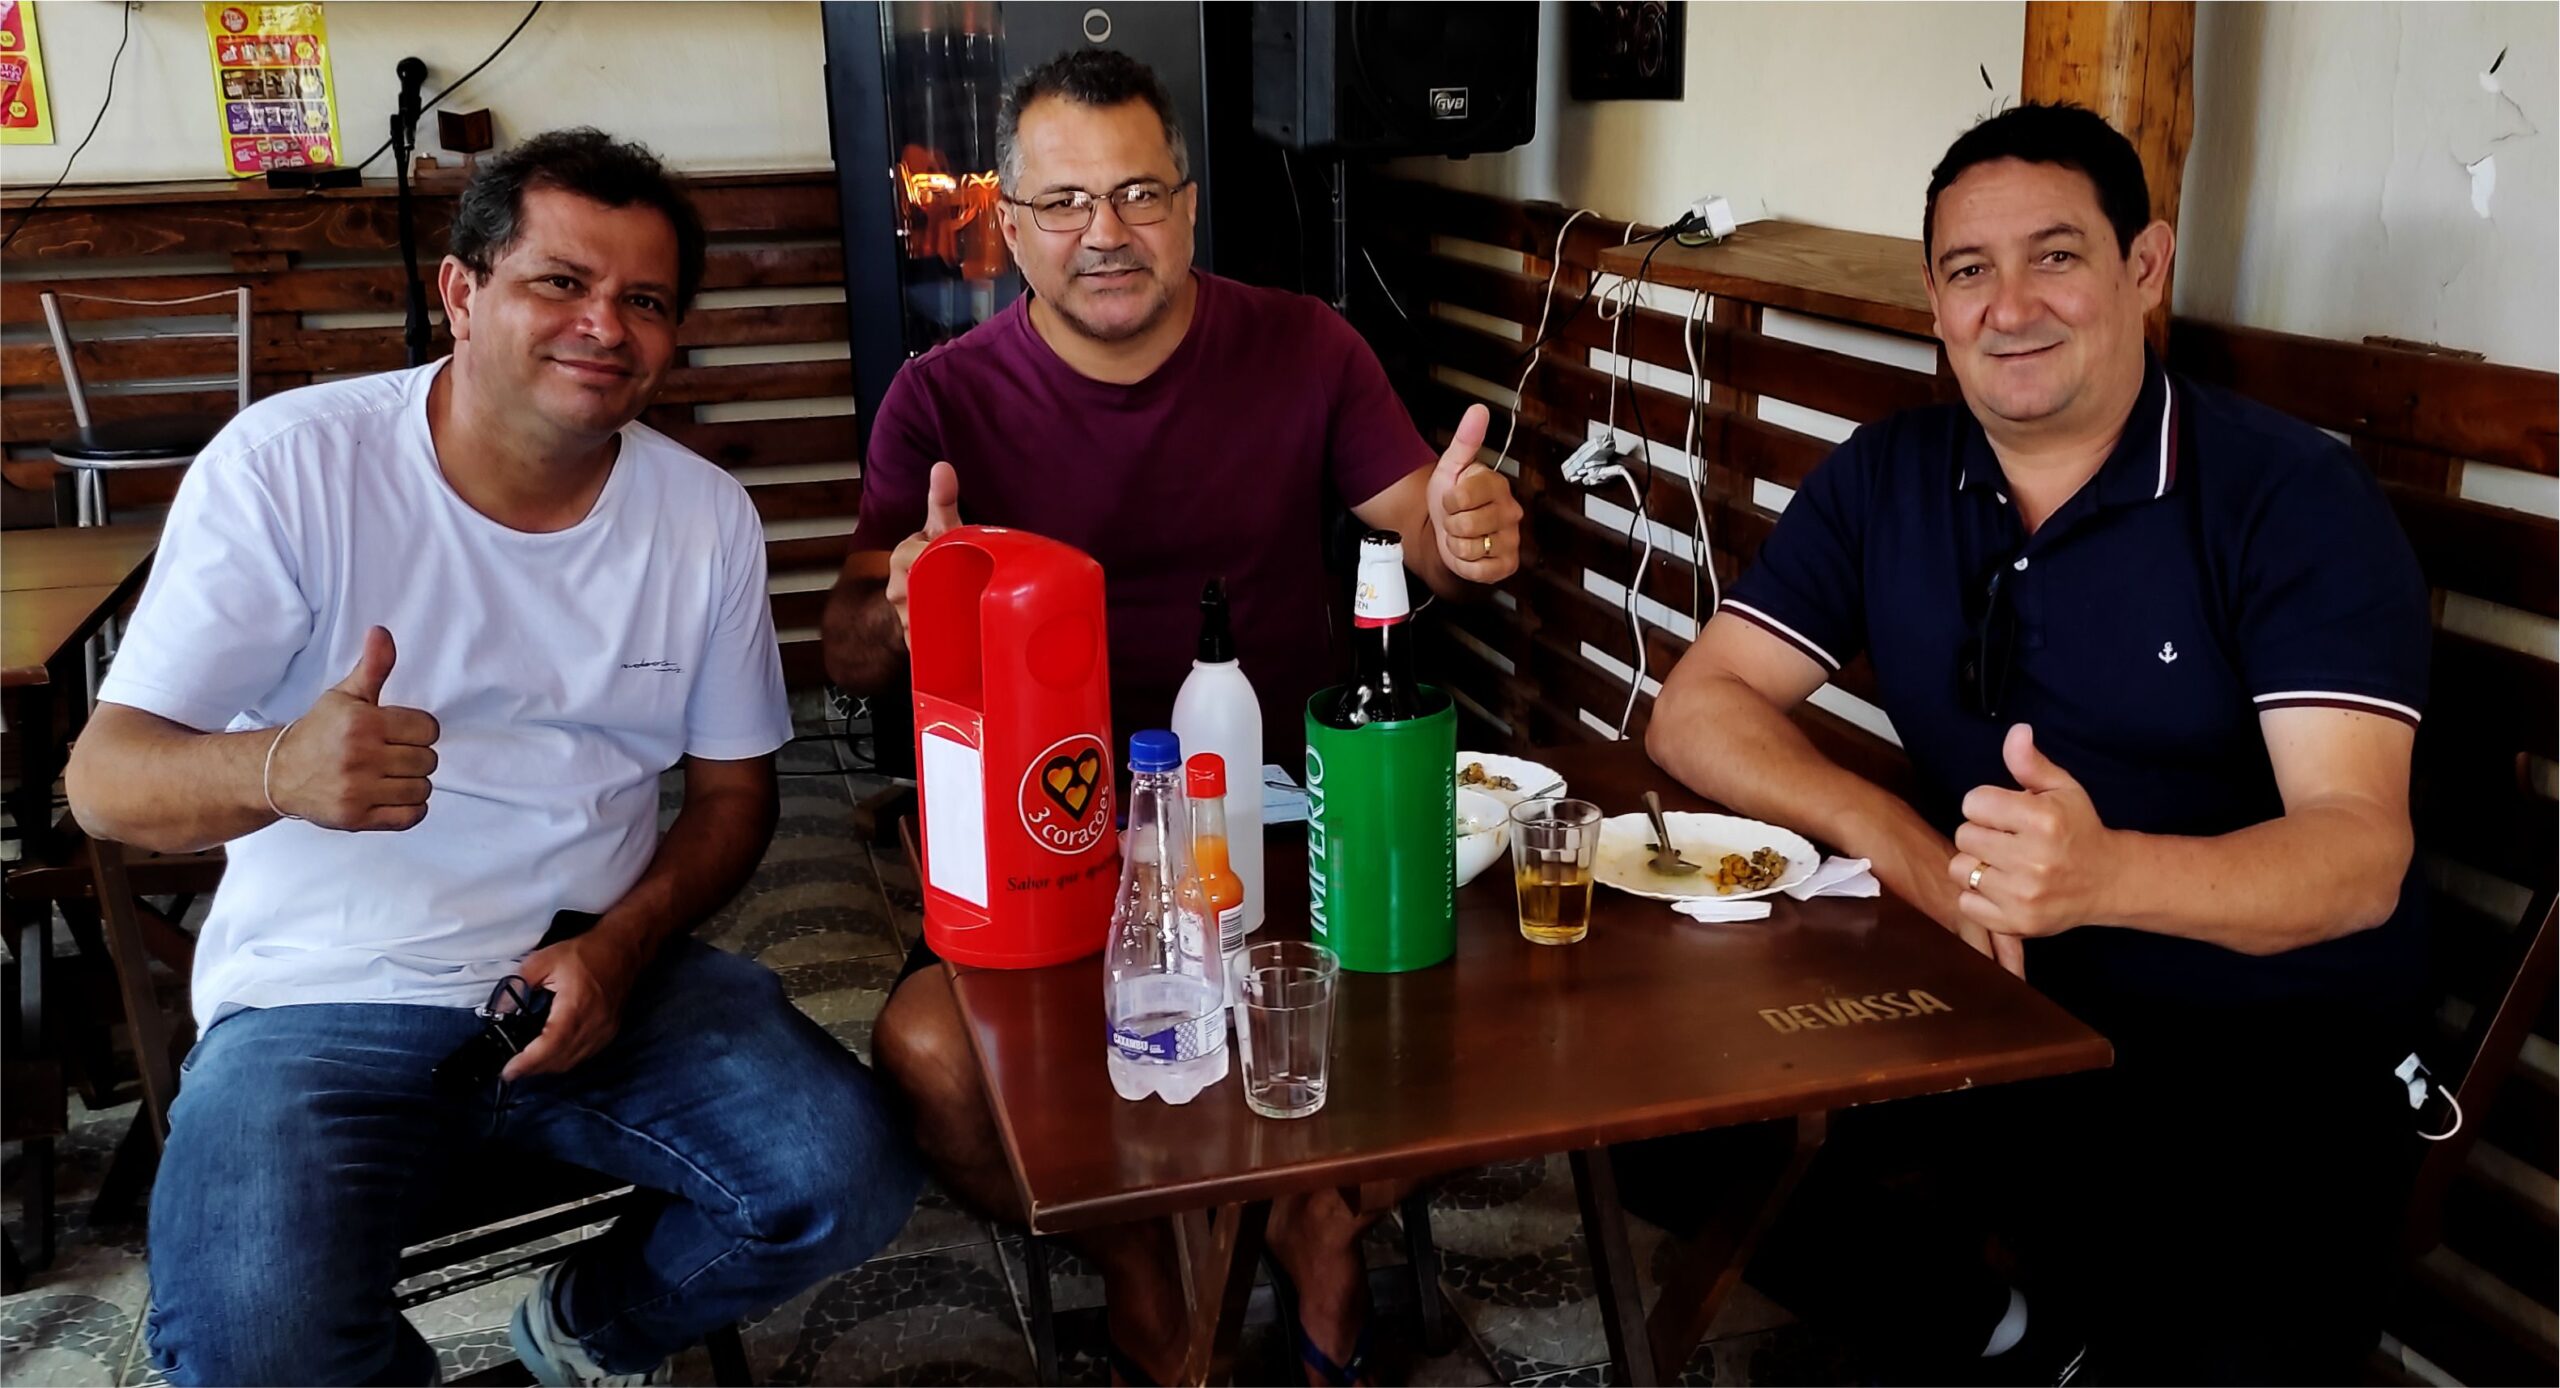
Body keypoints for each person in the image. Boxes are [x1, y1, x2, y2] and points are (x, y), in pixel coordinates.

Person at [66, 129, 921, 1387]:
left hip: (598, 970)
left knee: (844, 1177)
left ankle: (585, 1329)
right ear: (464, 293)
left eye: (643, 300)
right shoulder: (294, 465)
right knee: (251, 1347)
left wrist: (620, 948)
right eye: (560, 283)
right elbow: (102, 776)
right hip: (319, 1001)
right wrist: (275, 772)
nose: (603, 326)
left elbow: (735, 795)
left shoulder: (700, 516)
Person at [1638, 103, 2431, 1383]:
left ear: (2143, 265)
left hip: (2255, 1060)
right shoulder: (1892, 469)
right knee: (1661, 1116)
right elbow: (1700, 702)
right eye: (1969, 269)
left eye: (2055, 255)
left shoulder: (2285, 498)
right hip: (1987, 1001)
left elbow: (2357, 856)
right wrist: (1897, 838)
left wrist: (2103, 874)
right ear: (1935, 300)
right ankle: (1996, 1335)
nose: (2010, 305)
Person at [820, 48, 1523, 1386]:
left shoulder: (1305, 344)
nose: (1107, 234)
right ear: (1009, 227)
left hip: (1276, 808)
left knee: (1519, 992)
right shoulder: (944, 396)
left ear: (1191, 207)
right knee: (925, 1058)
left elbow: (1421, 531)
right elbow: (846, 647)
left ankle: (1328, 1213)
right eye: (1067, 203)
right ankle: (1138, 1254)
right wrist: (904, 600)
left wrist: (1462, 529)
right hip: (1057, 824)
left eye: (1140, 194)